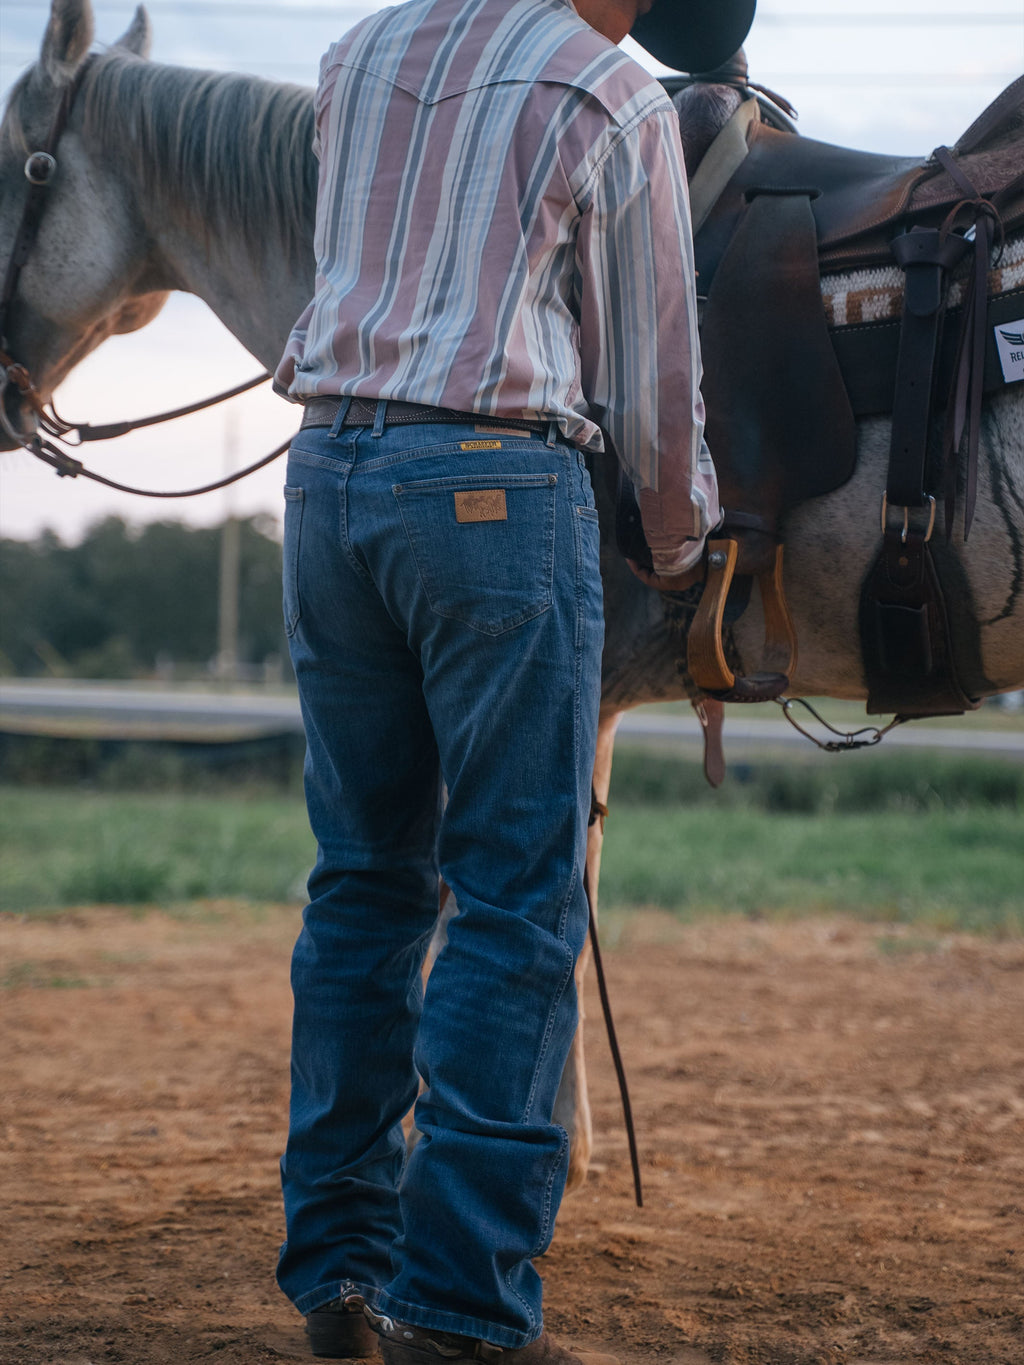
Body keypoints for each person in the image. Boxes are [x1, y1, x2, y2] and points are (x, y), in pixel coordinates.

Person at [274, 0, 755, 1361]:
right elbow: (657, 374)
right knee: (514, 897)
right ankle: (465, 1306)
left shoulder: (356, 54)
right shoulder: (611, 97)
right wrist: (677, 542)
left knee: (364, 880)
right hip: (495, 481)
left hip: (326, 474)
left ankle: (339, 1276)